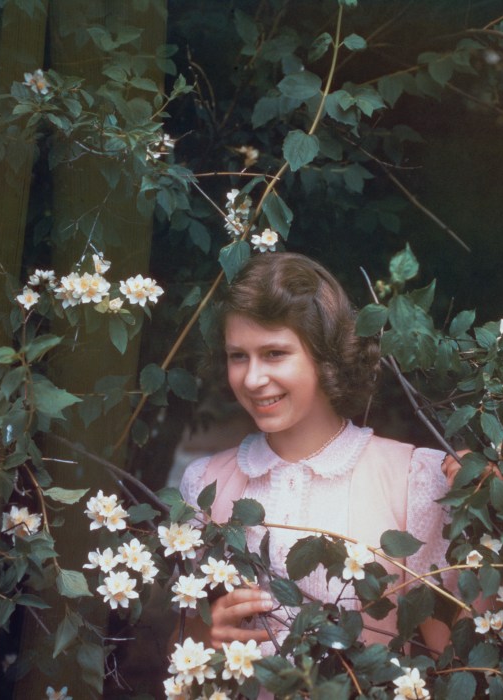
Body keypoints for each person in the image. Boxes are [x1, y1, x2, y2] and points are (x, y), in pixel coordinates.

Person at [178, 252, 459, 654]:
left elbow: (454, 663)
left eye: (274, 353)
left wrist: (480, 498)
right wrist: (205, 635)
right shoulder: (207, 484)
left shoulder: (411, 480)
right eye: (238, 356)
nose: (254, 378)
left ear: (325, 356)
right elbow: (182, 650)